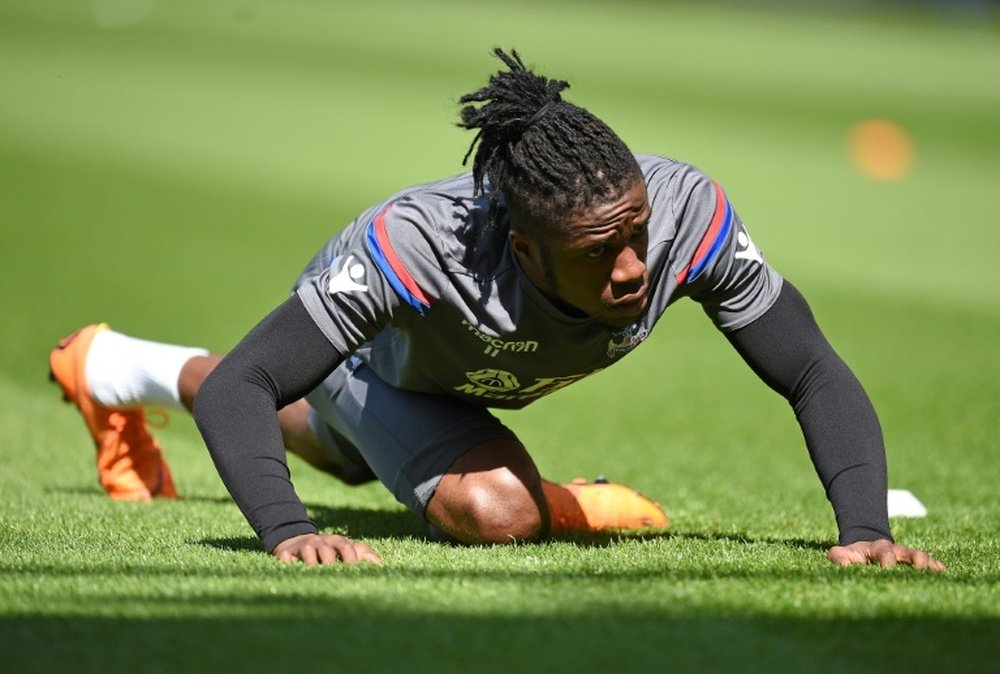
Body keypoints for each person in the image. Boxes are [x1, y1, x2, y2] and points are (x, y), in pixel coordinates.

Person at [50, 48, 944, 571]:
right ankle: (562, 501)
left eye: (635, 232)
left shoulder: (686, 218)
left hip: (439, 375)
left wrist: (864, 531)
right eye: (599, 253)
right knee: (496, 512)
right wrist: (291, 534)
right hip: (372, 358)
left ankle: (114, 365)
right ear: (523, 249)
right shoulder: (412, 247)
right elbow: (250, 381)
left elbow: (812, 367)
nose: (635, 269)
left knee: (353, 462)